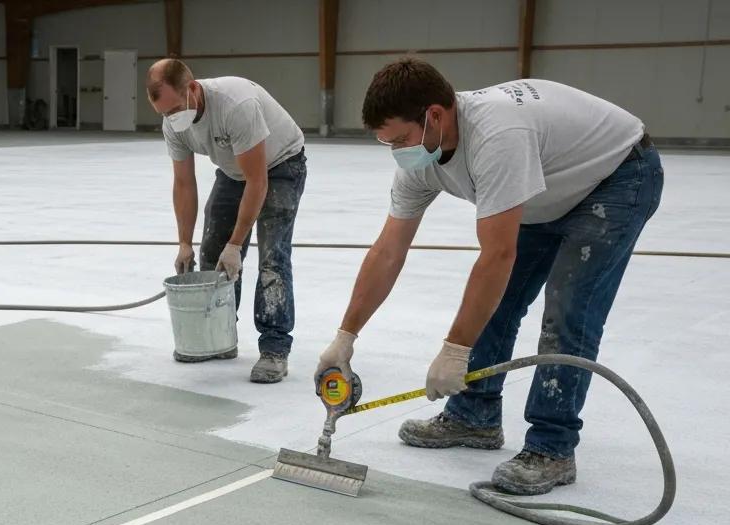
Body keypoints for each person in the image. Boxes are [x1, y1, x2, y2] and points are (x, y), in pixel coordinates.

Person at [316, 58, 662, 494]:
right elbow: (388, 251)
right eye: (387, 143)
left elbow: (496, 255)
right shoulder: (419, 161)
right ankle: (473, 417)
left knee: (568, 312)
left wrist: (455, 351)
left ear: (435, 116)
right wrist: (345, 336)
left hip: (616, 176)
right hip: (547, 185)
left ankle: (552, 448)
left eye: (401, 139)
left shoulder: (498, 138)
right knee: (498, 303)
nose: (397, 151)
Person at [145, 59, 307, 383]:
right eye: (163, 113)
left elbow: (258, 182)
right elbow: (184, 184)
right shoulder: (174, 124)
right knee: (212, 251)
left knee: (272, 259)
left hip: (280, 165)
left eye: (175, 108)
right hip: (235, 171)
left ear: (192, 89)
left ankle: (274, 349)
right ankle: (220, 337)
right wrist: (183, 243)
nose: (171, 118)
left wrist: (236, 244)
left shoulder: (235, 105)